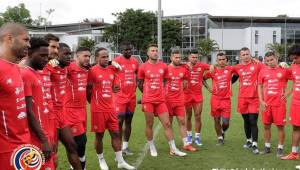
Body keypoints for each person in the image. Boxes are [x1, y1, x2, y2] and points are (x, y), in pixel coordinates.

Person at [87, 47, 135, 170]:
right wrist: (94, 102)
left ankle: (120, 161)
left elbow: (114, 83)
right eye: (103, 57)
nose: (106, 59)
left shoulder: (111, 70)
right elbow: (88, 90)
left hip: (111, 108)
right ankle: (101, 160)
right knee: (99, 136)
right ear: (96, 58)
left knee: (116, 133)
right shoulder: (92, 71)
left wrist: (113, 88)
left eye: (107, 56)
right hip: (98, 110)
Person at [137, 43, 186, 157]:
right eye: (152, 50)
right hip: (148, 100)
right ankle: (151, 145)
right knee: (149, 124)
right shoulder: (143, 67)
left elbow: (165, 80)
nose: (155, 52)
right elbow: (139, 83)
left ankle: (173, 148)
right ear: (148, 53)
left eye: (156, 50)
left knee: (167, 123)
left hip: (160, 100)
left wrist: (160, 91)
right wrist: (146, 94)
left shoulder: (163, 66)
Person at [43, 34, 82, 170]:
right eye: (65, 54)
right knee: (52, 152)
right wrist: (48, 63)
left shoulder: (66, 67)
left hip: (61, 113)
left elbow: (84, 65)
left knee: (72, 145)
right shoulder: (45, 67)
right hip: (48, 115)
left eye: (70, 54)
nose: (68, 57)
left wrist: (112, 64)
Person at [0, 22, 31, 170]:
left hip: (23, 144)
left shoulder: (15, 67)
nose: (29, 45)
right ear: (10, 39)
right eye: (26, 40)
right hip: (5, 151)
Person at [21, 37, 54, 169]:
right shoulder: (26, 75)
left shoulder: (36, 73)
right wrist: (44, 140)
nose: (46, 59)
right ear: (29, 53)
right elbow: (28, 111)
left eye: (47, 56)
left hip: (44, 132)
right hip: (35, 138)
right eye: (41, 55)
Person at [258, 52, 289, 157]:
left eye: (272, 59)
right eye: (267, 61)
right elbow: (259, 86)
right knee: (266, 125)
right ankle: (267, 147)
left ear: (276, 58)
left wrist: (287, 93)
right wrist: (261, 101)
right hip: (267, 104)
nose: (270, 62)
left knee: (280, 126)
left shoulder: (284, 70)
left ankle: (280, 148)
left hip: (279, 104)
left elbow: (296, 80)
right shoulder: (263, 71)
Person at [64, 47, 91, 169]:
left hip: (82, 110)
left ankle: (77, 164)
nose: (87, 58)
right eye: (84, 56)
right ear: (77, 56)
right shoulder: (69, 68)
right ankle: (78, 166)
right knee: (80, 141)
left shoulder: (87, 70)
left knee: (80, 142)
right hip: (70, 110)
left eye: (89, 56)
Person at [233, 47, 263, 154]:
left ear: (250, 54)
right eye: (243, 55)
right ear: (240, 57)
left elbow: (268, 67)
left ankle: (255, 144)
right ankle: (248, 141)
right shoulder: (237, 67)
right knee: (246, 121)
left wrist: (282, 65)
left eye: (247, 54)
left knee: (253, 121)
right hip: (242, 98)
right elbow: (229, 76)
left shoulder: (257, 65)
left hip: (254, 98)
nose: (245, 56)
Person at [165, 48, 197, 152]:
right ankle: (172, 146)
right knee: (168, 123)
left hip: (179, 100)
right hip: (168, 101)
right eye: (176, 57)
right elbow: (162, 83)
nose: (178, 59)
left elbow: (184, 84)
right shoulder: (166, 69)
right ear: (171, 57)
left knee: (182, 121)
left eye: (179, 57)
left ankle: (186, 144)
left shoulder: (184, 69)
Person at [203, 53, 235, 145]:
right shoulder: (213, 70)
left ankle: (222, 131)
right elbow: (203, 78)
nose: (221, 61)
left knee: (225, 122)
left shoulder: (230, 69)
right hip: (215, 99)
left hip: (226, 99)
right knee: (216, 119)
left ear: (226, 60)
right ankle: (220, 138)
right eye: (219, 60)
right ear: (217, 61)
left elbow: (240, 70)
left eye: (223, 59)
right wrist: (208, 88)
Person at [113, 43, 139, 155]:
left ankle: (125, 147)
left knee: (129, 121)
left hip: (132, 97)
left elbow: (139, 74)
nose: (128, 51)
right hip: (119, 96)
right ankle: (118, 150)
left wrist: (136, 83)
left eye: (129, 49)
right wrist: (112, 86)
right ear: (121, 50)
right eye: (125, 50)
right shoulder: (116, 61)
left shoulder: (135, 61)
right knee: (119, 121)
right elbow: (109, 73)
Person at [184, 49, 210, 146]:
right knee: (189, 116)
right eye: (193, 57)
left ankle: (197, 137)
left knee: (198, 116)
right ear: (189, 57)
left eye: (196, 57)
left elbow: (212, 67)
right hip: (186, 95)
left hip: (198, 95)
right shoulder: (184, 66)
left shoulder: (202, 65)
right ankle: (189, 136)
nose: (194, 59)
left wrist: (211, 67)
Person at [281, 45, 300, 160]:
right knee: (296, 127)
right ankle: (294, 154)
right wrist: (287, 94)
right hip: (296, 103)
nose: (294, 60)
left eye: (296, 58)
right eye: (292, 58)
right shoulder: (293, 67)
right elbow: (294, 83)